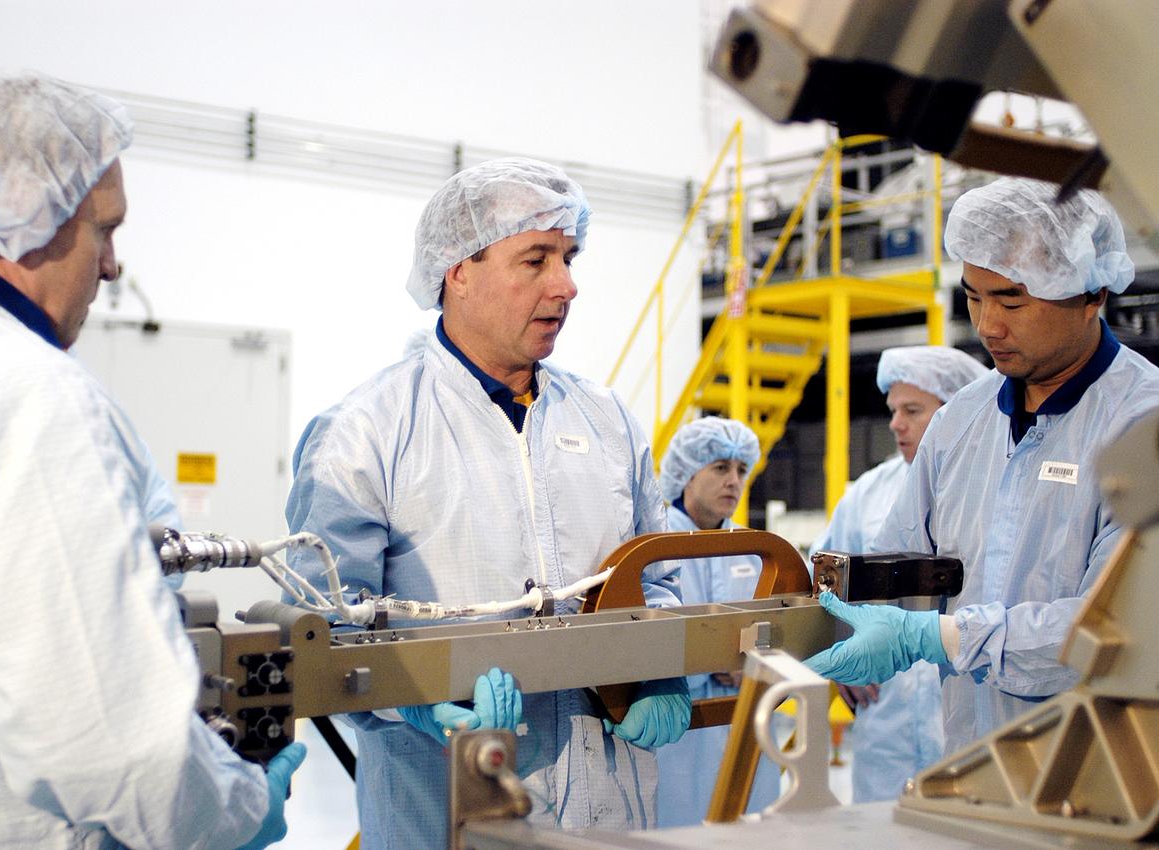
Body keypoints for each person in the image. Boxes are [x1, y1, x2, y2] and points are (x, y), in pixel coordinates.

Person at [0, 71, 304, 849]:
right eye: (105, 230)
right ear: (24, 218)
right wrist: (238, 813)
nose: (112, 267)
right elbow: (110, 744)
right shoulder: (27, 393)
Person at [285, 157, 689, 849]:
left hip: (611, 810)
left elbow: (661, 573)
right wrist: (411, 701)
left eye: (569, 257)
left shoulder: (605, 419)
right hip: (444, 809)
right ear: (457, 271)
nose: (566, 285)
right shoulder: (365, 433)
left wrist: (666, 665)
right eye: (535, 260)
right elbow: (326, 629)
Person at [806, 177, 1159, 758]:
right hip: (968, 763)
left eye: (1012, 300)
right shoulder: (961, 422)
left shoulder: (1141, 428)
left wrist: (939, 635)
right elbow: (903, 561)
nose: (988, 325)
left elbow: (1114, 627)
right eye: (973, 296)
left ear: (1091, 293)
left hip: (1096, 770)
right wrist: (842, 622)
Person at [809, 346, 987, 801]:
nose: (895, 423)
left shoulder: (988, 488)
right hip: (886, 720)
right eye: (892, 410)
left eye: (912, 410)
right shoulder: (867, 494)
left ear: (956, 410)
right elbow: (822, 584)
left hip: (970, 713)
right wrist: (838, 658)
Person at [653, 417, 780, 825]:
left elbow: (781, 629)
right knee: (677, 826)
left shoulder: (756, 549)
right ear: (687, 473)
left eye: (742, 470)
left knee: (749, 825)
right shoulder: (653, 546)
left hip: (746, 718)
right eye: (720, 468)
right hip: (678, 721)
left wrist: (753, 663)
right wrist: (709, 659)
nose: (734, 481)